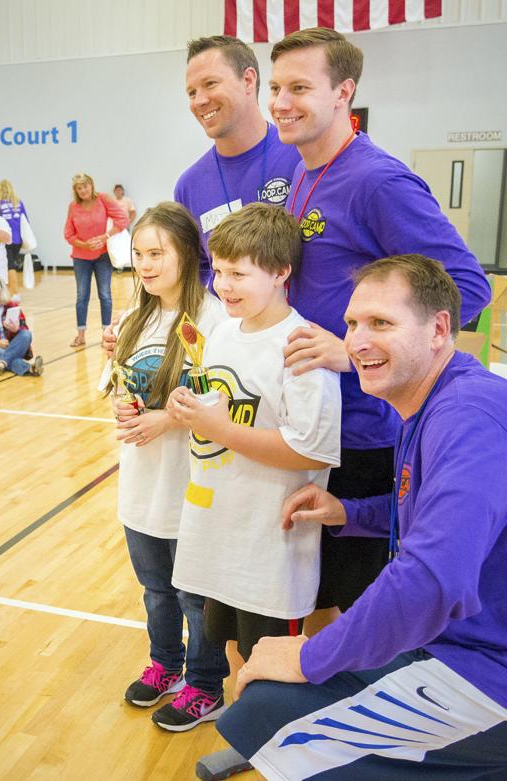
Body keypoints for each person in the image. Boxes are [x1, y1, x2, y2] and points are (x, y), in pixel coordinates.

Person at [218, 255, 507, 780]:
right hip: (464, 644)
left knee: (267, 713)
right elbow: (428, 516)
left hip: (486, 671)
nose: (357, 340)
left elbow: (430, 580)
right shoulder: (434, 402)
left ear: (439, 328)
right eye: (352, 324)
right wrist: (347, 513)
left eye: (382, 323)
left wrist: (309, 655)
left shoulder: (467, 416)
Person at [271, 27, 491, 632]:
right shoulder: (302, 171)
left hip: (366, 436)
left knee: (355, 605)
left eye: (299, 88)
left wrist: (353, 349)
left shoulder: (378, 181)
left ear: (344, 92)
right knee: (309, 593)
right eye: (276, 88)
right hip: (316, 420)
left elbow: (467, 288)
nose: (281, 103)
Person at [161, 203, 341, 731]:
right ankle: (246, 732)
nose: (224, 285)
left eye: (239, 273)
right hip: (220, 529)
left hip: (268, 542)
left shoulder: (301, 348)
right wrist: (188, 409)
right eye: (218, 271)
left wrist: (222, 429)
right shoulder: (222, 333)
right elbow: (222, 404)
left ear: (281, 272)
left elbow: (310, 449)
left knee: (271, 656)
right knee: (233, 645)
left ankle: (273, 742)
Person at [110, 202, 231, 730]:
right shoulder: (136, 317)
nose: (145, 264)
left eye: (156, 253)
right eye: (138, 254)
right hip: (141, 481)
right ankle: (166, 665)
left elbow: (226, 401)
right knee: (155, 589)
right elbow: (123, 383)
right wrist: (123, 404)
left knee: (194, 595)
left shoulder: (215, 316)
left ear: (187, 251)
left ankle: (206, 685)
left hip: (192, 482)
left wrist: (167, 420)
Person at [176, 35, 303, 284]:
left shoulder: (301, 156)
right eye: (192, 92)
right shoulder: (189, 186)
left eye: (210, 84)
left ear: (248, 80)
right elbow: (195, 277)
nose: (199, 100)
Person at [63, 173, 130, 348]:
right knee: (81, 296)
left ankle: (106, 335)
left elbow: (123, 219)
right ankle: (80, 335)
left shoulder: (103, 199)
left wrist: (104, 237)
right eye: (79, 188)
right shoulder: (73, 206)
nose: (83, 190)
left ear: (91, 186)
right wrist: (84, 245)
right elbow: (68, 234)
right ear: (76, 191)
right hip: (80, 257)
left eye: (85, 186)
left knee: (105, 295)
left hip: (103, 256)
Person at [0, 179, 29, 293]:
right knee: (10, 264)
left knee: (9, 266)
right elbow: (26, 221)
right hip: (17, 240)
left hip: (5, 239)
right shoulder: (18, 203)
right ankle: (8, 290)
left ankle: (14, 292)